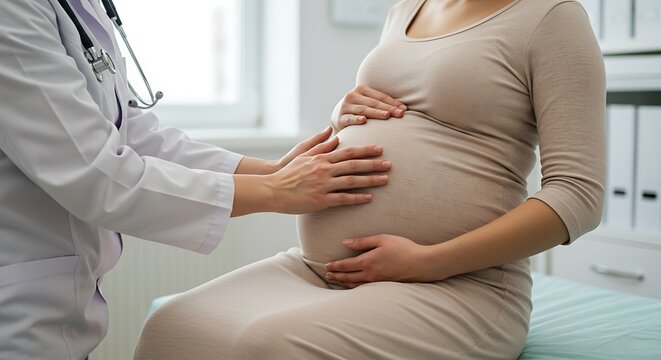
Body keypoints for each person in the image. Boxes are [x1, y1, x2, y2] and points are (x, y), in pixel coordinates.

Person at [134, 0, 606, 358]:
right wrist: (343, 114)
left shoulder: (553, 19)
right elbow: (410, 114)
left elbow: (578, 193)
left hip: (461, 285)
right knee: (172, 328)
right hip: (324, 269)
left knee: (270, 346)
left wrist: (430, 262)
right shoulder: (409, 7)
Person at [0, 1, 397, 358]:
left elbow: (132, 132)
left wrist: (274, 171)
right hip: (18, 306)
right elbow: (94, 174)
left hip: (55, 302)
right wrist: (276, 191)